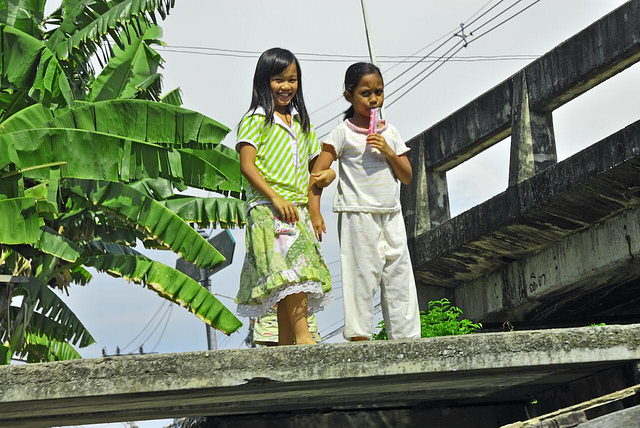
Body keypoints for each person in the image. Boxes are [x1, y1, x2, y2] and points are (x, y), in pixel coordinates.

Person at [308, 62, 421, 341]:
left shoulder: (389, 132)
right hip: (357, 214)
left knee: (400, 275)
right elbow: (317, 174)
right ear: (349, 96)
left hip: (390, 214)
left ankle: (406, 338)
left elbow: (406, 176)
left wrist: (389, 152)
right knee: (361, 276)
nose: (373, 100)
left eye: (378, 92)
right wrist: (315, 213)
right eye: (365, 93)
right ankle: (359, 336)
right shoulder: (342, 133)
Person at [235, 47, 334, 346]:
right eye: (279, 79)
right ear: (265, 81)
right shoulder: (256, 118)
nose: (286, 86)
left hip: (298, 210)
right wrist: (275, 198)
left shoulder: (302, 123)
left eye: (292, 80)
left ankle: (287, 345)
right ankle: (304, 339)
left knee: (293, 280)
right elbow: (247, 165)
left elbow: (315, 168)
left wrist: (327, 176)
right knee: (292, 276)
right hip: (268, 209)